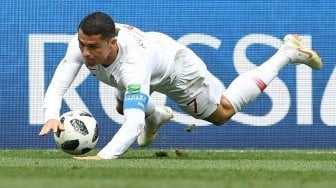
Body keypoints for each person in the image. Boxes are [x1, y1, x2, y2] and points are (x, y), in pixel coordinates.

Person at [38, 12, 322, 160]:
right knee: (122, 104)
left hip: (177, 71)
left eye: (93, 47)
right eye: (82, 45)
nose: (85, 53)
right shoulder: (82, 44)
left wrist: (103, 156)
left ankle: (288, 53)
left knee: (222, 113)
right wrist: (51, 114)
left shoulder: (133, 68)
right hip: (152, 56)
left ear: (112, 42)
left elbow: (134, 123)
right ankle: (159, 115)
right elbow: (58, 85)